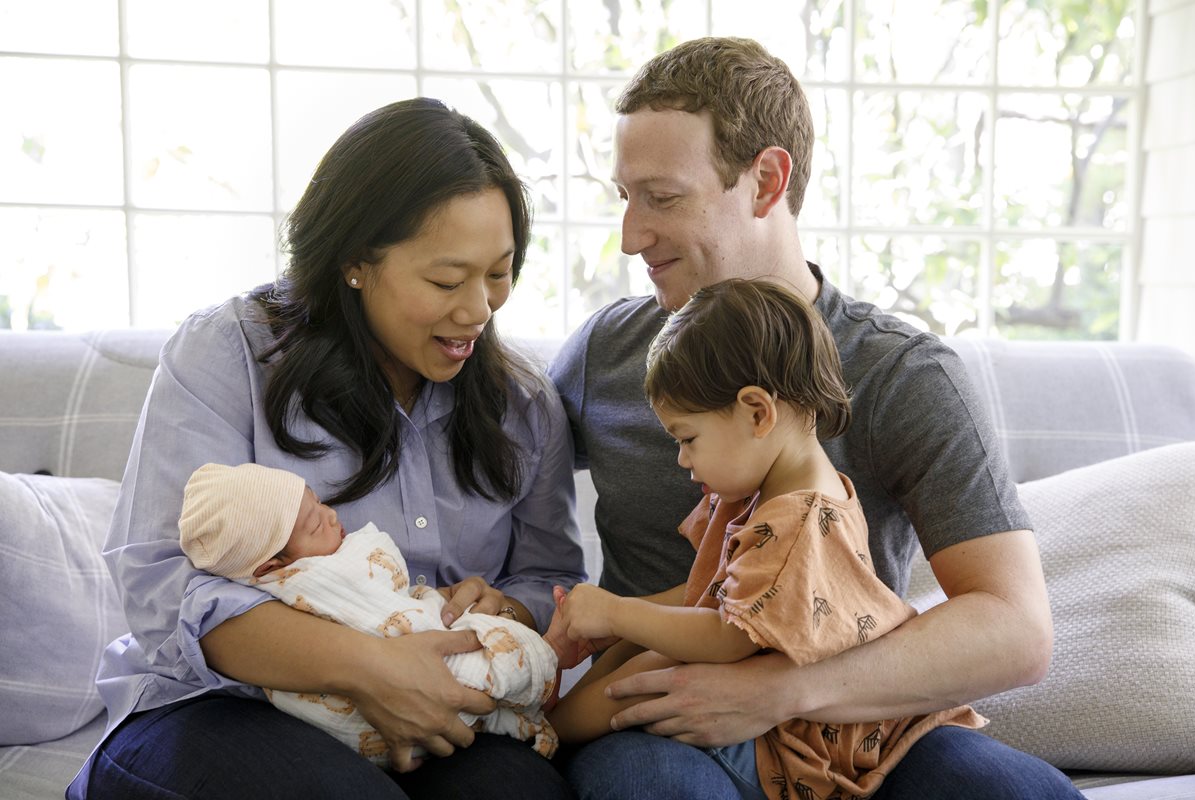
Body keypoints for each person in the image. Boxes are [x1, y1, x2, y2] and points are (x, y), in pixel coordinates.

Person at [548, 37, 1084, 799]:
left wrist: (781, 692)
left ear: (766, 180)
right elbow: (481, 460)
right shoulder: (609, 351)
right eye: (625, 198)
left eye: (662, 198)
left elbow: (1015, 630)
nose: (632, 236)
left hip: (854, 727)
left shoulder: (900, 372)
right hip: (664, 725)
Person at [72, 98, 585, 800]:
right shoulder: (231, 354)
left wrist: (512, 609)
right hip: (221, 706)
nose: (478, 310)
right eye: (446, 279)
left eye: (500, 273)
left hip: (442, 704)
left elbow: (550, 575)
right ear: (354, 261)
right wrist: (370, 668)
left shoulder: (523, 407)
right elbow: (163, 586)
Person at [549, 278, 987, 800]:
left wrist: (619, 614)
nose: (683, 460)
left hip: (810, 747)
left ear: (758, 412)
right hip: (800, 705)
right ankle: (549, 728)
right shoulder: (780, 492)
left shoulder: (797, 518)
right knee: (637, 649)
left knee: (649, 673)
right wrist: (614, 615)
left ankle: (544, 736)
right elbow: (708, 595)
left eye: (688, 439)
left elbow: (728, 635)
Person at [178, 461, 563, 765]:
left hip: (409, 689)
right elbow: (390, 626)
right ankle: (533, 681)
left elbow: (395, 600)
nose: (330, 516)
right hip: (387, 709)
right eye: (314, 524)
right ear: (269, 567)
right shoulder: (311, 578)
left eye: (319, 502)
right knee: (484, 675)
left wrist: (439, 599)